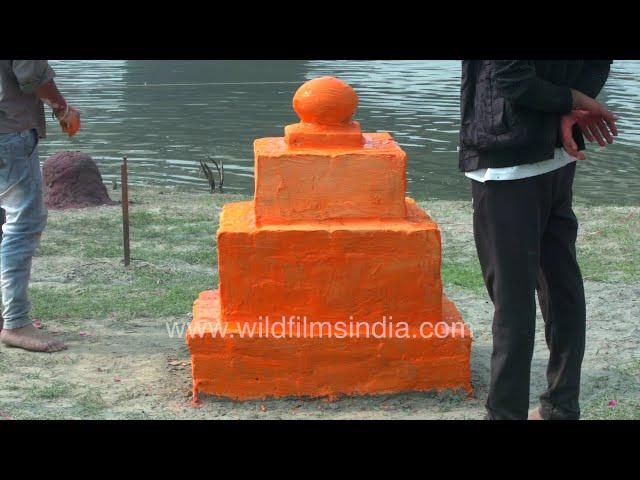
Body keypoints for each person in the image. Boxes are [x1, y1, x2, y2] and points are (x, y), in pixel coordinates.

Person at [459, 60, 617, 420]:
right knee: (561, 285)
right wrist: (572, 106)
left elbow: (511, 79)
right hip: (556, 152)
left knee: (513, 298)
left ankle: (505, 414)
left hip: (506, 156)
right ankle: (560, 407)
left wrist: (572, 101)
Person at [0, 60, 80, 352]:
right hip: (8, 131)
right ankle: (16, 323)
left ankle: (7, 315)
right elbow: (32, 78)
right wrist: (62, 107)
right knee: (23, 223)